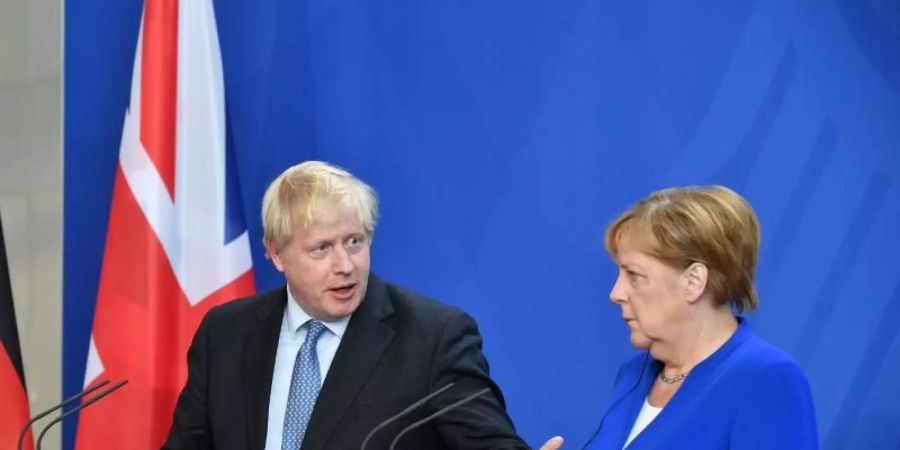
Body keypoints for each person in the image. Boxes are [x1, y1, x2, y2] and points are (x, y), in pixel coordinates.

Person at [163, 161, 563, 450]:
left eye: (355, 241)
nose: (345, 265)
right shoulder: (226, 333)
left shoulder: (433, 338)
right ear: (276, 253)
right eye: (322, 248)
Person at [584, 186, 818, 450]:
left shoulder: (766, 377)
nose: (616, 293)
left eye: (633, 275)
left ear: (693, 282)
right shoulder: (633, 372)